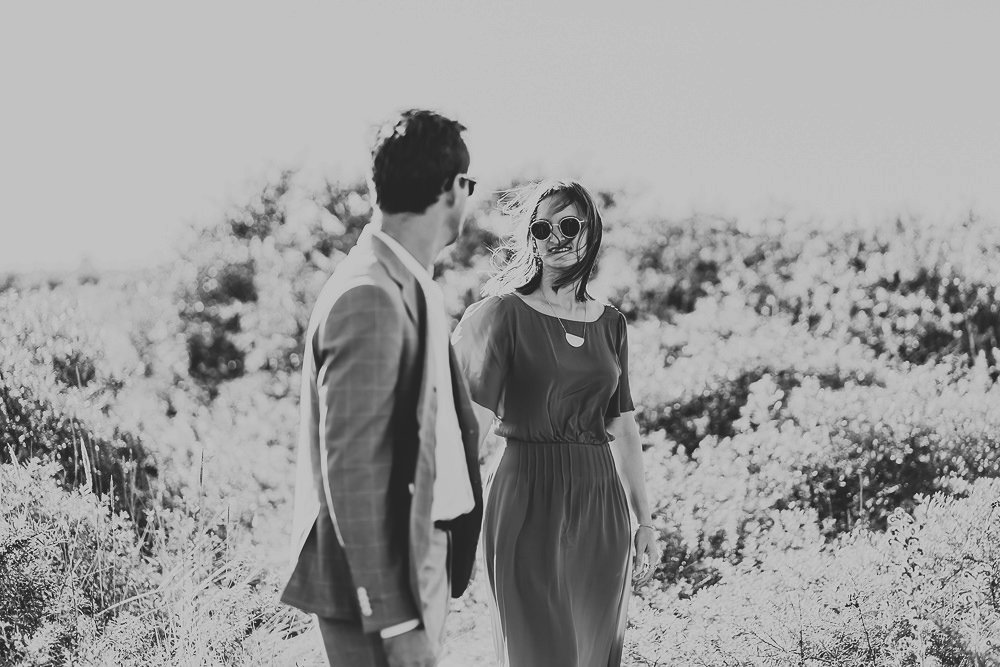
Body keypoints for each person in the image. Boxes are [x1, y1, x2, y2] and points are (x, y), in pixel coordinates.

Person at [281, 109, 484, 667]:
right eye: (468, 185)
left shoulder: (405, 281)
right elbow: (352, 472)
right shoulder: (370, 294)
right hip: (385, 577)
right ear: (450, 189)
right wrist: (394, 619)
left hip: (420, 554)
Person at [451, 179, 659, 667]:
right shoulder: (503, 315)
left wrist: (644, 519)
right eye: (542, 227)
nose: (557, 236)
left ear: (590, 231)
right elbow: (472, 424)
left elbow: (622, 424)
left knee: (591, 650)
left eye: (569, 224)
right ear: (531, 239)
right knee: (539, 652)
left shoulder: (611, 324)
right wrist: (443, 511)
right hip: (525, 494)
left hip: (599, 502)